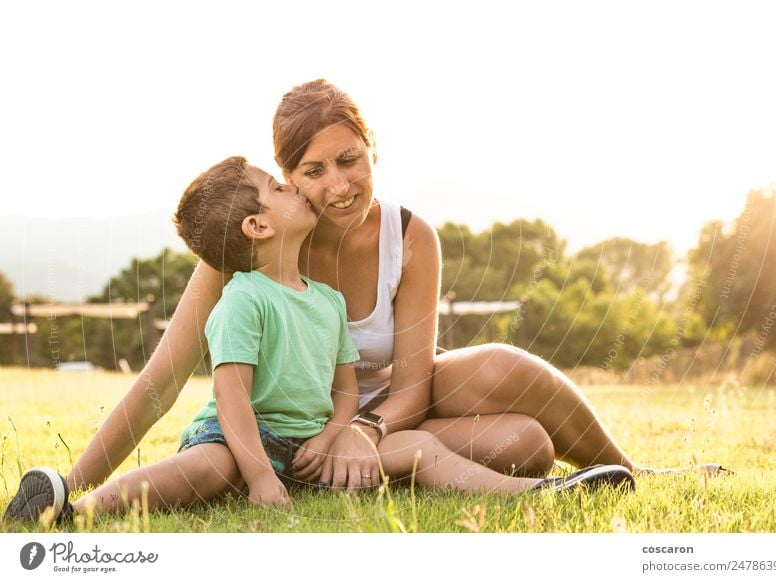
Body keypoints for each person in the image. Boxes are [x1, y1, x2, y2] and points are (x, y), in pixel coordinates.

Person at [56, 79, 719, 500]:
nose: (339, 185)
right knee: (525, 448)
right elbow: (160, 381)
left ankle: (635, 473)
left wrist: (361, 430)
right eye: (313, 171)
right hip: (295, 427)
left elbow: (413, 384)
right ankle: (359, 475)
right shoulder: (251, 248)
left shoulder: (410, 236)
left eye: (351, 160)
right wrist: (74, 482)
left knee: (504, 367)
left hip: (390, 409)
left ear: (372, 150)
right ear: (285, 179)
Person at [4, 156, 635, 524]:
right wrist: (254, 473)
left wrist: (339, 434)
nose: (309, 187)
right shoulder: (242, 295)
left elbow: (342, 391)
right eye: (287, 181)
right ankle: (77, 509)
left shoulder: (327, 302)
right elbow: (228, 399)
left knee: (416, 445)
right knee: (205, 468)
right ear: (256, 224)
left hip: (316, 445)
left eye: (344, 161)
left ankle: (536, 492)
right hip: (239, 438)